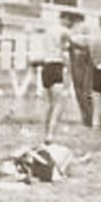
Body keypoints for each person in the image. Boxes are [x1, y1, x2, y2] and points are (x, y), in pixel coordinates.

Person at [26, 9, 73, 141]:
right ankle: (50, 134)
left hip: (46, 67)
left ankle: (47, 132)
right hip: (56, 66)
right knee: (59, 103)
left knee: (51, 103)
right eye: (69, 21)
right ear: (65, 19)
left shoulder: (48, 31)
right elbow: (70, 46)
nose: (69, 23)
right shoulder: (64, 31)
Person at [65, 11, 95, 128]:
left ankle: (87, 117)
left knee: (80, 89)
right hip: (86, 59)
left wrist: (72, 43)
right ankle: (88, 117)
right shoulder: (88, 29)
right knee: (86, 90)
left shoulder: (75, 30)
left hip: (79, 59)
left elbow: (75, 44)